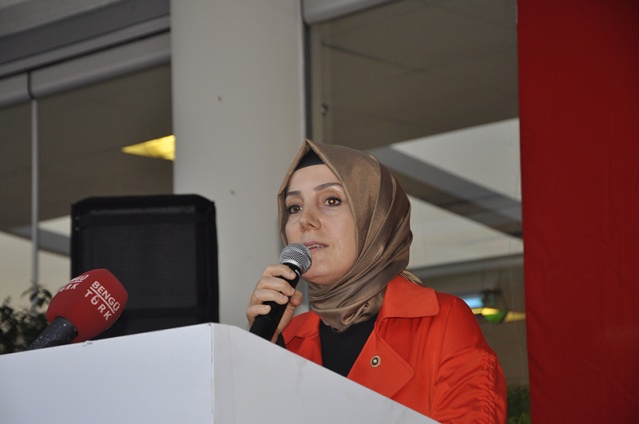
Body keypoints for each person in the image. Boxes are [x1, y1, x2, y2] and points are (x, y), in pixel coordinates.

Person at [246, 139, 507, 423]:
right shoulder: (286, 337)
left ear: (375, 218)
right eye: (294, 207)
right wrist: (261, 351)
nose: (305, 220)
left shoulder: (442, 323)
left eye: (331, 201)